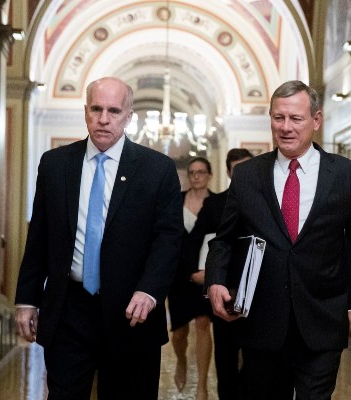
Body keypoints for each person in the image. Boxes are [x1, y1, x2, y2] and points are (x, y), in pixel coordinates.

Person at [205, 80, 351, 399]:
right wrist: (215, 280)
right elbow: (223, 240)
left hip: (322, 321)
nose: (286, 127)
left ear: (316, 120)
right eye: (278, 118)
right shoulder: (248, 175)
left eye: (296, 119)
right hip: (262, 323)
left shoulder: (347, 175)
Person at [14, 76, 184, 399]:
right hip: (69, 310)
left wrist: (150, 291)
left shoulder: (156, 169)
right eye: (96, 109)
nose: (104, 119)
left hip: (132, 313)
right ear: (85, 112)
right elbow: (39, 236)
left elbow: (169, 240)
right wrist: (27, 298)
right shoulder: (55, 165)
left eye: (114, 111)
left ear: (128, 116)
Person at [184, 148, 253, 400]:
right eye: (238, 170)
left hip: (260, 292)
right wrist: (196, 273)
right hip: (225, 291)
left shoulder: (270, 199)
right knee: (226, 356)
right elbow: (194, 241)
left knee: (259, 358)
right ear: (228, 172)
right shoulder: (215, 203)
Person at [167, 157, 214, 400]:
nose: (196, 176)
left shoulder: (217, 203)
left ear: (209, 175)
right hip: (179, 276)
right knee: (179, 332)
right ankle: (181, 361)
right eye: (192, 172)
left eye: (201, 172)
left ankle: (202, 385)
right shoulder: (176, 201)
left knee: (204, 324)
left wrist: (211, 272)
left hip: (206, 275)